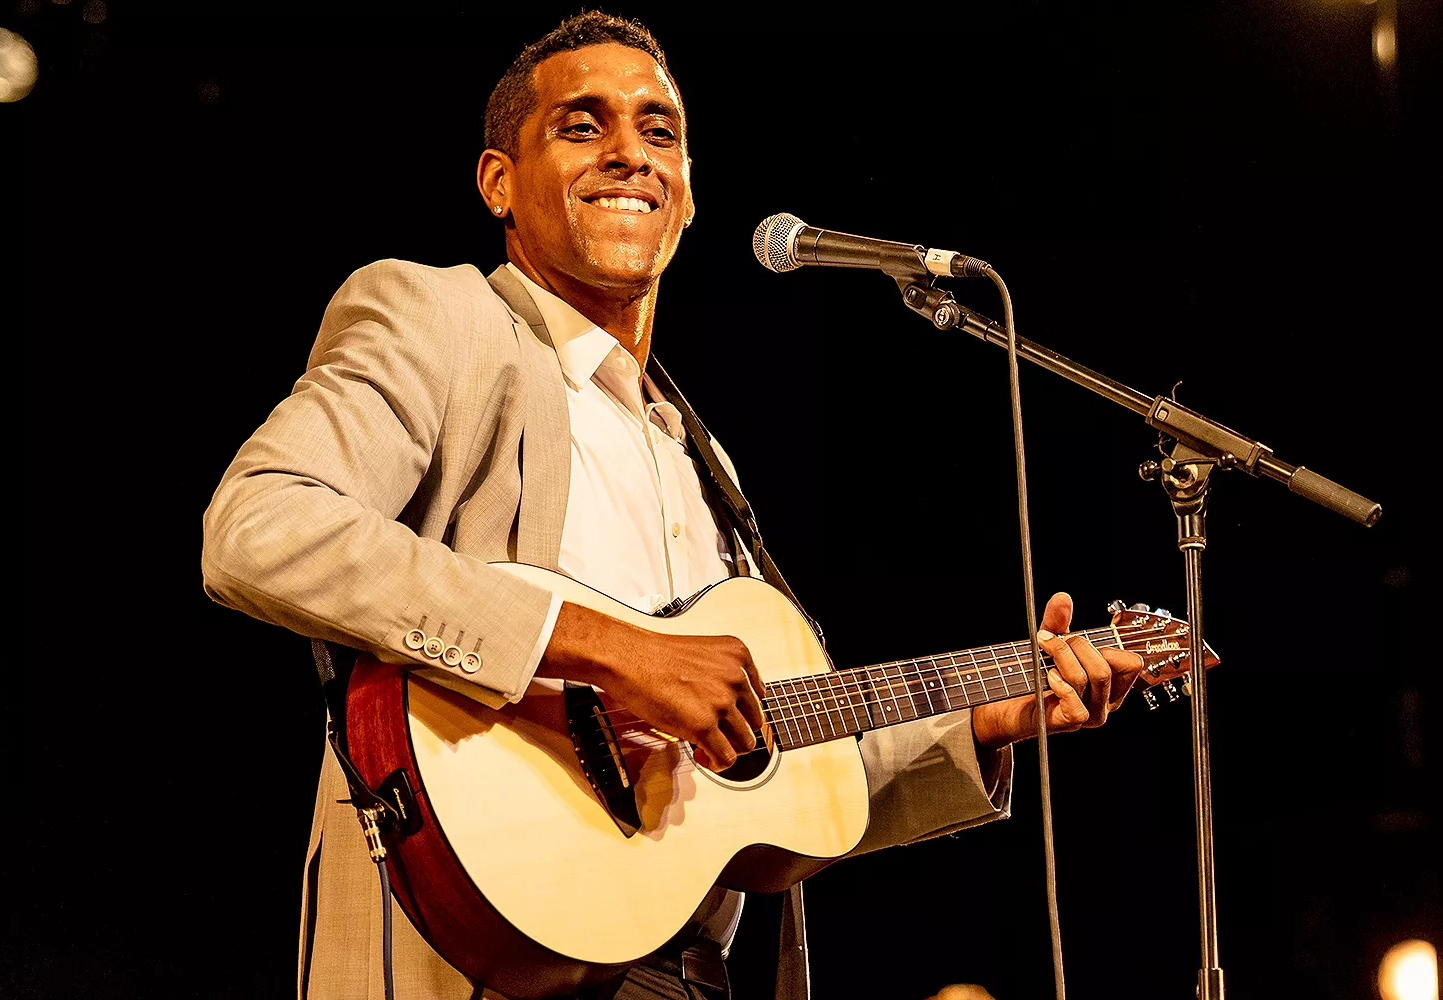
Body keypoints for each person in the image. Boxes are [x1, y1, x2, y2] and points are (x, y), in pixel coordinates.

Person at [201, 11, 1145, 1000]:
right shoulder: (446, 320)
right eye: (582, 125)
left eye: (659, 131)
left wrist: (985, 718)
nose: (629, 152)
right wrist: (611, 650)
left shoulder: (701, 461)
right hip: (481, 948)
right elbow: (261, 524)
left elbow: (774, 775)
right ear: (498, 182)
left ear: (687, 192)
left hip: (686, 968)